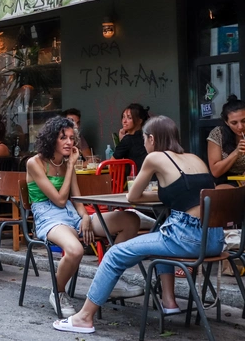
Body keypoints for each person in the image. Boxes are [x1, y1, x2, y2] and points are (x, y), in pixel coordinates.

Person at [54, 115, 224, 334]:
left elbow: (133, 196)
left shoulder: (155, 158)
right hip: (214, 239)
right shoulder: (195, 158)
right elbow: (186, 194)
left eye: (144, 139)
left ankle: (84, 318)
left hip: (187, 237)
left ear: (151, 138)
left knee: (114, 254)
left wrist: (147, 194)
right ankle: (169, 301)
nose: (144, 144)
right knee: (159, 238)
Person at [27, 116, 140, 319]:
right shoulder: (34, 163)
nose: (69, 142)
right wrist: (71, 166)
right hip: (48, 216)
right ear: (51, 139)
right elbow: (60, 200)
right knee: (75, 250)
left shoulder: (65, 162)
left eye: (72, 138)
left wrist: (85, 216)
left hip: (72, 214)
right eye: (63, 137)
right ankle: (58, 292)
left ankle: (108, 279)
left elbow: (76, 198)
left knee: (130, 220)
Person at [207, 95, 245, 185]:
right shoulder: (218, 133)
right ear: (226, 122)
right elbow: (215, 172)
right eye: (234, 123)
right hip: (225, 180)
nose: (240, 127)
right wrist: (236, 152)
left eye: (244, 121)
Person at [113, 103, 150, 173]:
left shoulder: (128, 139)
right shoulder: (148, 137)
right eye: (123, 117)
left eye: (129, 118)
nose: (124, 121)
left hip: (136, 178)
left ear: (139, 121)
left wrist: (122, 141)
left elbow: (111, 164)